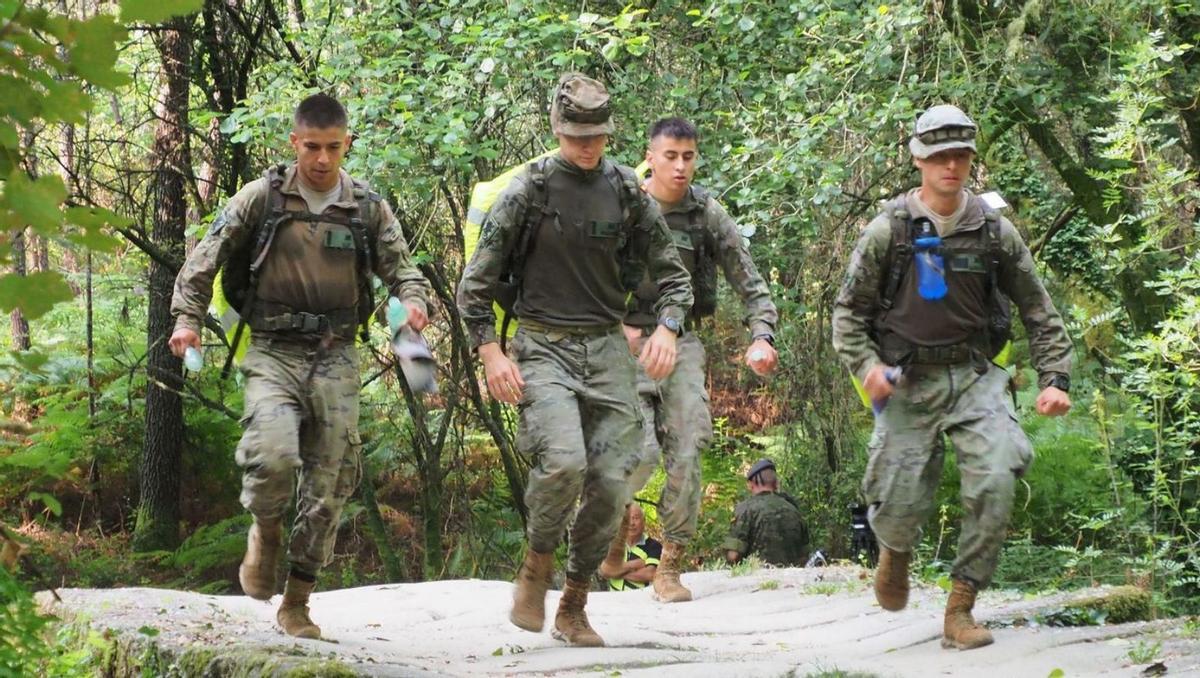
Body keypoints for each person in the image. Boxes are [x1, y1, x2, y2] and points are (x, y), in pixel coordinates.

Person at [169, 94, 433, 639]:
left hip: (336, 353)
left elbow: (403, 269)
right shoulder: (261, 198)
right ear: (295, 143)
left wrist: (414, 302)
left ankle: (297, 600)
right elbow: (205, 259)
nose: (321, 159)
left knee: (331, 482)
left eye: (333, 147)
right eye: (312, 147)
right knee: (272, 456)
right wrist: (186, 320)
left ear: (347, 144)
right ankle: (265, 531)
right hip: (273, 350)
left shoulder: (366, 207)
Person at [456, 73, 693, 647]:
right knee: (563, 462)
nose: (587, 146)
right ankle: (537, 564)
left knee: (614, 482)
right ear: (559, 130)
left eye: (597, 135)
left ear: (609, 134)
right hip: (541, 346)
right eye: (576, 135)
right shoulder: (528, 192)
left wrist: (666, 327)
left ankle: (576, 602)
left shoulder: (626, 191)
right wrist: (490, 353)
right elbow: (474, 287)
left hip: (609, 349)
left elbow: (674, 275)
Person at [831, 103, 1073, 650]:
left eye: (961, 155)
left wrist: (1056, 378)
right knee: (895, 499)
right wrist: (867, 369)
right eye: (940, 156)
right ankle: (894, 551)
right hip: (906, 378)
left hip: (975, 376)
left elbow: (1038, 309)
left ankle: (961, 606)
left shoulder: (993, 231)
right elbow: (847, 313)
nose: (952, 166)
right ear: (919, 160)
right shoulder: (886, 232)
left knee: (996, 475)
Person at [598, 117, 779, 603]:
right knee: (634, 455)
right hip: (624, 346)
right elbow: (583, 278)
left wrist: (761, 336)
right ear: (651, 156)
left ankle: (669, 568)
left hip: (681, 346)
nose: (680, 167)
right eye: (671, 156)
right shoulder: (622, 208)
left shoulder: (706, 215)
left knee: (688, 446)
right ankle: (616, 542)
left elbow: (750, 282)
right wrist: (616, 326)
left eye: (689, 157)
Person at [722, 459, 810, 566]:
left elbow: (733, 556)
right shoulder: (793, 509)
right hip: (791, 579)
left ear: (750, 484)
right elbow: (804, 555)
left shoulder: (745, 509)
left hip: (755, 578)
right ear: (776, 483)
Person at [606, 504, 662, 591]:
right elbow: (604, 570)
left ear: (644, 521)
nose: (631, 523)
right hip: (614, 601)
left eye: (636, 518)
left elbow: (650, 574)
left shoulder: (654, 546)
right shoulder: (614, 543)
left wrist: (615, 572)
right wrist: (634, 565)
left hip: (640, 601)